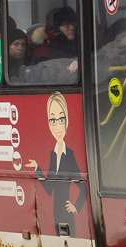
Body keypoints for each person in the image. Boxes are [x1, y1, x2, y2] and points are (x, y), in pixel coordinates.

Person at [26, 92, 87, 235]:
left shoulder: (70, 154)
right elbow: (49, 188)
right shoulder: (53, 154)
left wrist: (76, 207)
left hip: (67, 214)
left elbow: (83, 187)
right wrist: (37, 168)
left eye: (61, 119)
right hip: (56, 213)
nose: (57, 125)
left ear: (67, 120)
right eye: (53, 120)